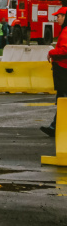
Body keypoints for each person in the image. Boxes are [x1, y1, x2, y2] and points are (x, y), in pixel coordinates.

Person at [42, 7, 67, 137]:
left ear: (65, 17)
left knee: (63, 100)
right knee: (63, 100)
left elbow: (65, 50)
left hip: (63, 71)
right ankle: (54, 126)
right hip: (63, 70)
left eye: (59, 16)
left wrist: (51, 52)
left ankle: (54, 127)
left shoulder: (66, 31)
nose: (57, 18)